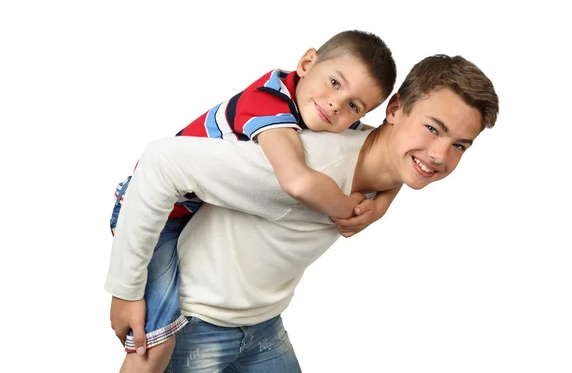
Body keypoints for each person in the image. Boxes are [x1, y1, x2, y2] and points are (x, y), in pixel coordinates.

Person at [106, 54, 499, 372]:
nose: (440, 156)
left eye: (459, 146)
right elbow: (162, 161)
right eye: (433, 128)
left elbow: (387, 165)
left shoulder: (383, 162)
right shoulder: (305, 164)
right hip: (197, 325)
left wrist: (383, 203)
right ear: (394, 109)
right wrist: (126, 289)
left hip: (264, 324)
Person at [108, 30, 398, 356]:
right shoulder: (268, 100)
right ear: (306, 62)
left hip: (196, 215)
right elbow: (297, 180)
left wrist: (383, 203)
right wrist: (125, 291)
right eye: (334, 83)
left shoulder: (325, 116)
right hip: (157, 208)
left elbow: (391, 152)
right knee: (154, 348)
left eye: (354, 106)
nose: (336, 104)